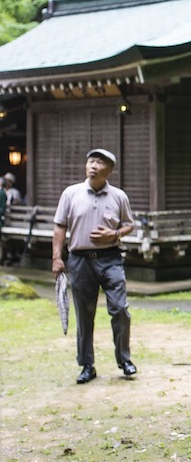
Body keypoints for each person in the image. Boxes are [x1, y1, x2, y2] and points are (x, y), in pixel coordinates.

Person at [51, 149, 136, 384]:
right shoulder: (71, 193)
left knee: (120, 309)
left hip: (111, 258)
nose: (93, 166)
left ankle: (124, 360)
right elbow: (59, 227)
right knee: (84, 315)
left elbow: (129, 224)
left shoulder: (119, 196)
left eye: (99, 163)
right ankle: (87, 365)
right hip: (80, 259)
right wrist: (57, 258)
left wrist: (115, 233)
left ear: (109, 170)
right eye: (91, 161)